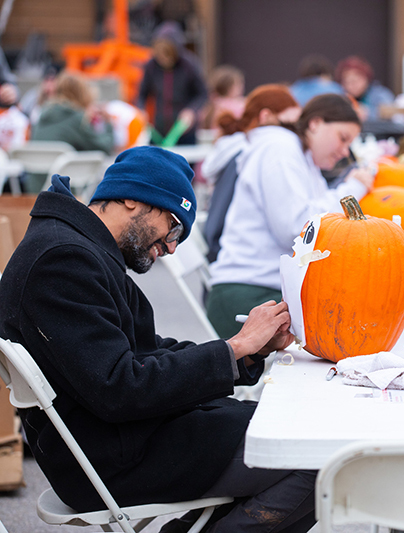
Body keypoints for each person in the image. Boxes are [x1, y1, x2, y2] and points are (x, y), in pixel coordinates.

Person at [0, 146, 316, 533]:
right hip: (110, 460)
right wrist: (233, 348)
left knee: (302, 436)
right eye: (174, 226)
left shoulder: (79, 248)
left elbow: (147, 351)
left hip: (124, 440)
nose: (170, 247)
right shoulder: (64, 259)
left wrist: (246, 351)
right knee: (316, 455)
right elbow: (120, 386)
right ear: (133, 198)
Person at [206, 94, 374, 338]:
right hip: (248, 294)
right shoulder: (280, 148)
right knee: (352, 317)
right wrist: (352, 191)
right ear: (315, 123)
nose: (345, 151)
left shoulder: (299, 155)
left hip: (263, 290)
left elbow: (316, 217)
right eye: (343, 138)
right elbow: (296, 229)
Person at [201, 84, 302, 264]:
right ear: (266, 117)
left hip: (225, 259)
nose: (297, 134)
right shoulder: (252, 155)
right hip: (237, 264)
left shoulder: (234, 150)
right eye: (290, 125)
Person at [30, 71, 115, 191]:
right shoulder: (76, 118)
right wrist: (107, 124)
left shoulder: (42, 114)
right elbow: (104, 147)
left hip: (35, 188)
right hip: (65, 191)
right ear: (82, 94)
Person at [136, 21, 208, 146]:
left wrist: (192, 111)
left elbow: (202, 94)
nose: (164, 59)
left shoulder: (189, 65)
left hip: (184, 132)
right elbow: (142, 94)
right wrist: (141, 112)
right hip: (158, 131)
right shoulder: (151, 67)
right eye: (160, 54)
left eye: (167, 53)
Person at [335, 55, 394, 122]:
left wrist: (367, 113)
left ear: (366, 78)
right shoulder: (341, 97)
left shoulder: (380, 95)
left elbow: (391, 114)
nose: (352, 85)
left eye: (356, 80)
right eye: (347, 82)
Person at [199, 64, 246, 133]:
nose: (242, 87)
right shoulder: (237, 106)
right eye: (239, 84)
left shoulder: (210, 105)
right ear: (231, 87)